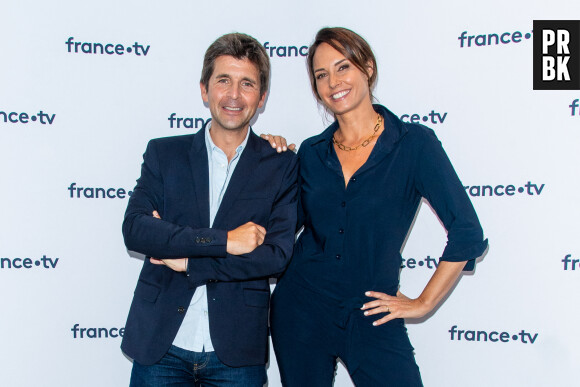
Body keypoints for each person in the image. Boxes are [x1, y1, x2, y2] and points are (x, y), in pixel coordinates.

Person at [267, 27, 488, 386]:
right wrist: (265, 159)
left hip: (373, 311)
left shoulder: (413, 144)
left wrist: (423, 303)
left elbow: (467, 232)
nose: (333, 81)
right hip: (301, 309)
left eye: (343, 67)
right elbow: (280, 231)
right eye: (321, 75)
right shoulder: (311, 152)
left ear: (367, 67)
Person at [121, 32, 298, 386]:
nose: (234, 95)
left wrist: (188, 260)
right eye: (223, 81)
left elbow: (275, 256)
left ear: (262, 98)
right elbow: (137, 230)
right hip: (161, 345)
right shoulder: (164, 154)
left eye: (247, 83)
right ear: (204, 90)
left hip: (237, 351)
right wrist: (224, 241)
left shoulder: (280, 165)